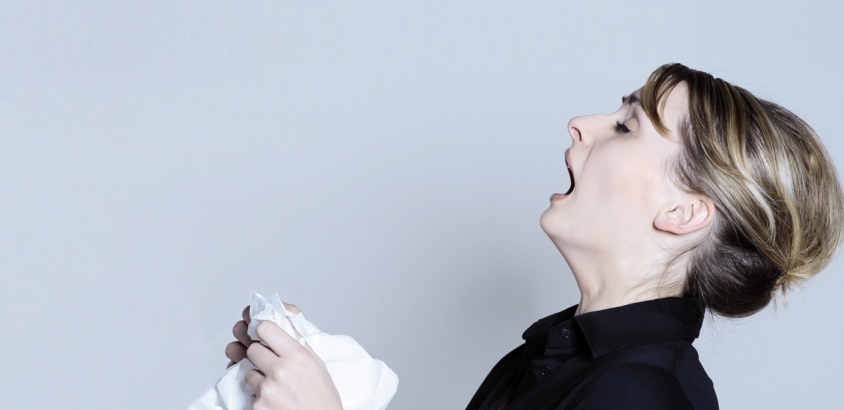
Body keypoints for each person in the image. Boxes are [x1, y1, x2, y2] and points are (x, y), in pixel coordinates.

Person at [222, 63, 844, 410]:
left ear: (683, 212)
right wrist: (327, 382)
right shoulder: (546, 360)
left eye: (627, 127)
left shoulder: (640, 398)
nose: (581, 124)